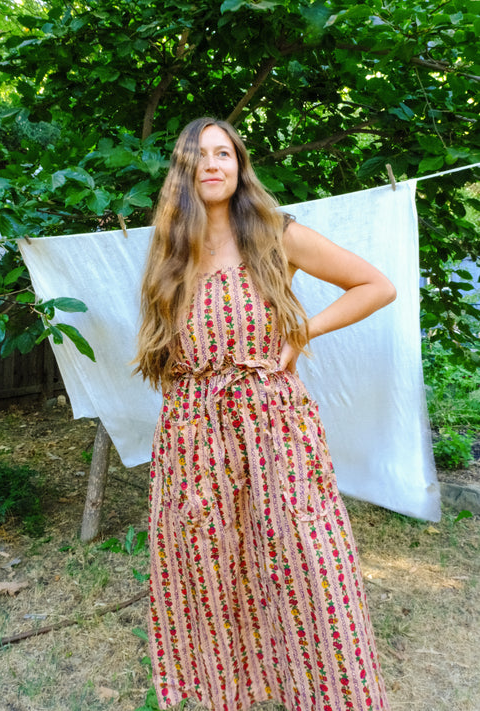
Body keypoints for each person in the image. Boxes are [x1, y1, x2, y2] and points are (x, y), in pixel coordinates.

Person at [135, 117, 396, 711]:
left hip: (274, 426)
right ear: (182, 172)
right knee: (213, 564)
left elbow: (374, 286)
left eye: (223, 153)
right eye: (198, 156)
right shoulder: (171, 249)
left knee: (306, 557)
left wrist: (303, 331)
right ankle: (238, 689)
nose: (212, 165)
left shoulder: (276, 233)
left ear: (239, 165)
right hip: (194, 434)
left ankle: (331, 692)